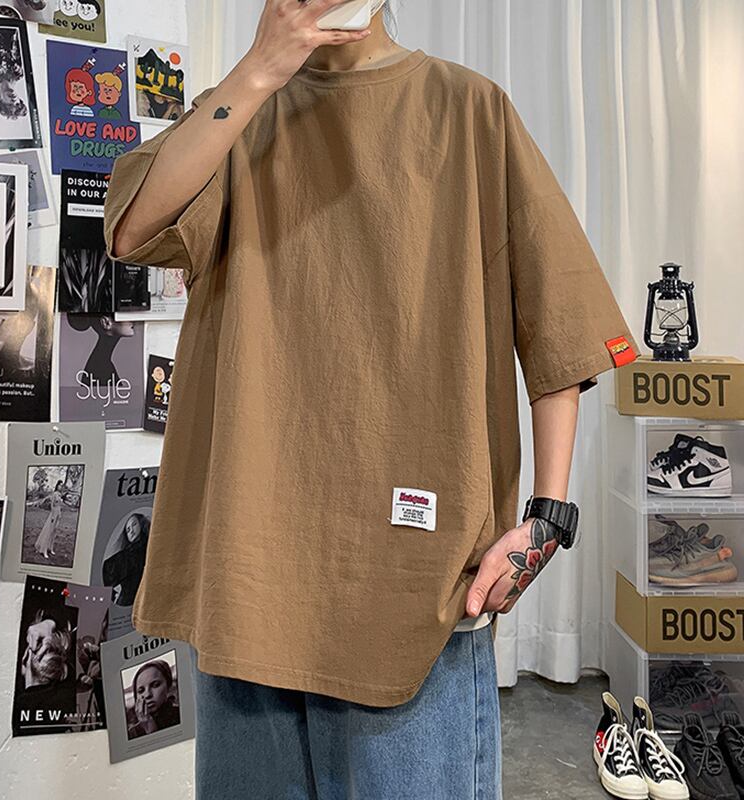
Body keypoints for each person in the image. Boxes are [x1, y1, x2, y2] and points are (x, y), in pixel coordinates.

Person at [103, 1, 639, 797]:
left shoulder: (467, 108)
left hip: (416, 586)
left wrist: (547, 518)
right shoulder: (239, 113)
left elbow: (558, 324)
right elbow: (131, 229)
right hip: (250, 579)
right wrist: (258, 70)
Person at [101, 512, 151, 606]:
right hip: (128, 601)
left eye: (134, 524)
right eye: (128, 530)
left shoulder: (149, 547)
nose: (131, 530)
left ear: (141, 524)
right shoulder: (125, 556)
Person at [126, 659, 181, 739]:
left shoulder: (181, 715)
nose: (147, 695)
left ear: (168, 687)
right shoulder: (132, 733)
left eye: (155, 685)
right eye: (141, 691)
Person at [26, 479, 65, 559]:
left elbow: (59, 505)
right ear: (57, 485)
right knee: (49, 531)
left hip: (58, 514)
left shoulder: (60, 494)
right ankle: (44, 550)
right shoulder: (54, 494)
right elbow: (52, 505)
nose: (60, 487)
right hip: (53, 514)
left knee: (54, 532)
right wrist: (53, 516)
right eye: (59, 485)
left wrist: (59, 514)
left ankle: (50, 548)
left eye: (62, 485)